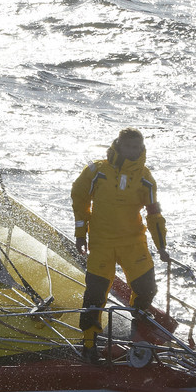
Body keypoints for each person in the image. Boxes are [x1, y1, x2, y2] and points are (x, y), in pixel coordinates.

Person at [70, 127, 169, 361]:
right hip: (101, 243)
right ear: (119, 145)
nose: (133, 151)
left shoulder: (146, 179)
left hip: (133, 242)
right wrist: (80, 232)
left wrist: (161, 246)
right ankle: (89, 342)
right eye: (128, 147)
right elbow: (79, 196)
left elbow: (154, 214)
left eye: (137, 147)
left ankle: (139, 320)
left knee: (147, 288)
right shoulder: (97, 171)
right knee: (95, 294)